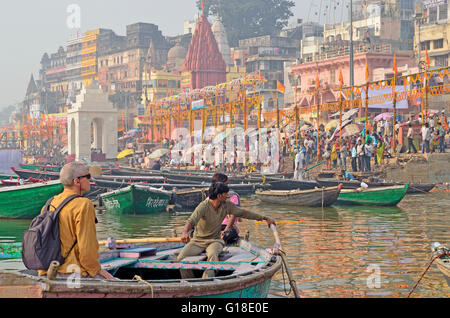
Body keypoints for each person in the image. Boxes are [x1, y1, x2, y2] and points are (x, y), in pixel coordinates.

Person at [177, 182, 275, 279]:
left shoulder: (226, 205)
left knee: (212, 255)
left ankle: (206, 281)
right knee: (181, 258)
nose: (227, 196)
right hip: (197, 241)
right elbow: (191, 220)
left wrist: (264, 218)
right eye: (225, 194)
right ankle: (189, 281)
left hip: (215, 240)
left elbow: (243, 213)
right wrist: (185, 232)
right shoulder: (203, 206)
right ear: (219, 196)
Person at [38, 162, 114, 280]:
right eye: (87, 176)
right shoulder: (84, 205)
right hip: (73, 272)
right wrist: (97, 270)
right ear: (76, 181)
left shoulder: (49, 204)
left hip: (47, 270)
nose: (90, 179)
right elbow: (86, 248)